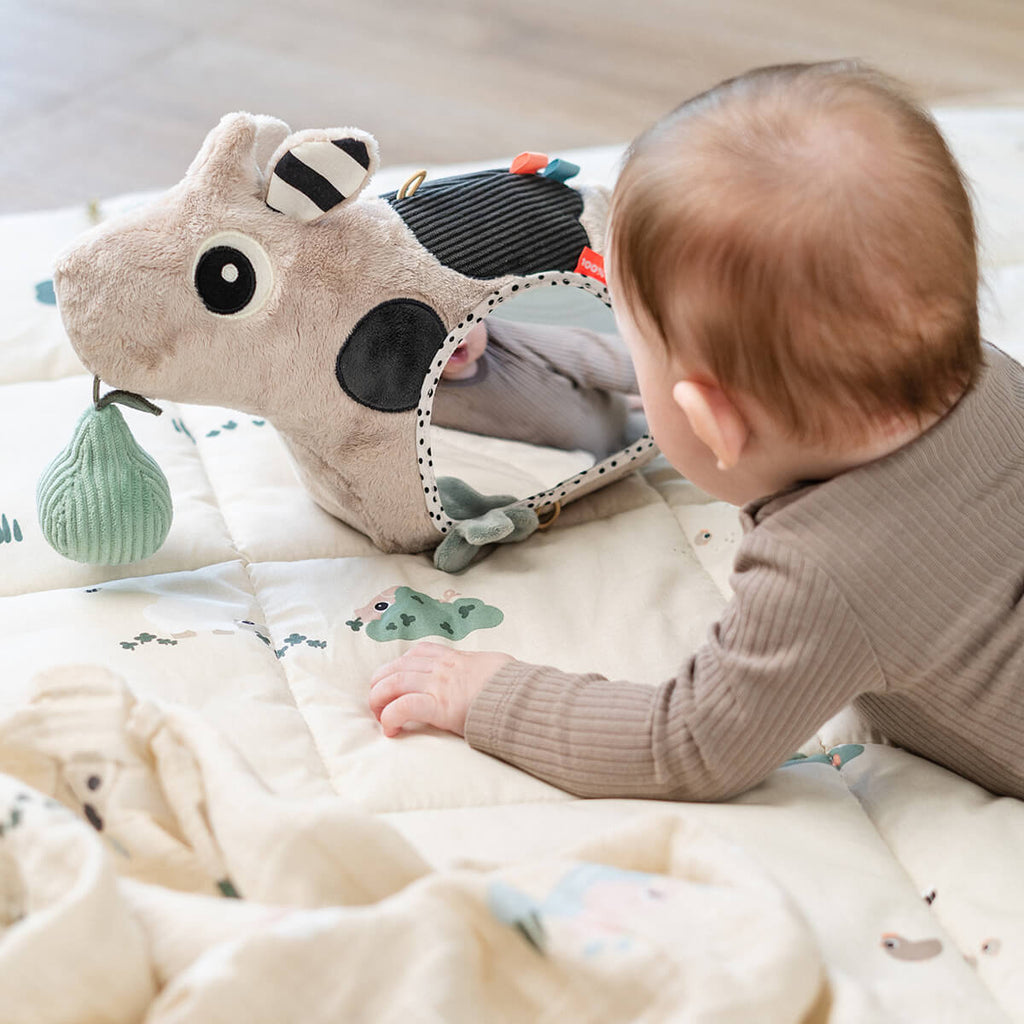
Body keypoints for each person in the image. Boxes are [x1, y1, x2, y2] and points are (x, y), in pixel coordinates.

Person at [368, 61, 1024, 802]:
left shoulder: (818, 576)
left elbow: (683, 744)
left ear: (715, 423)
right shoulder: (994, 375)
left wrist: (490, 693)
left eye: (635, 349)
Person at [433, 317, 648, 460]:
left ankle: (632, 401)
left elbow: (586, 353)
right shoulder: (414, 396)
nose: (452, 333)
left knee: (637, 414)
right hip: (565, 464)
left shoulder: (508, 340)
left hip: (610, 418)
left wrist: (658, 377)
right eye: (430, 324)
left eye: (464, 318)